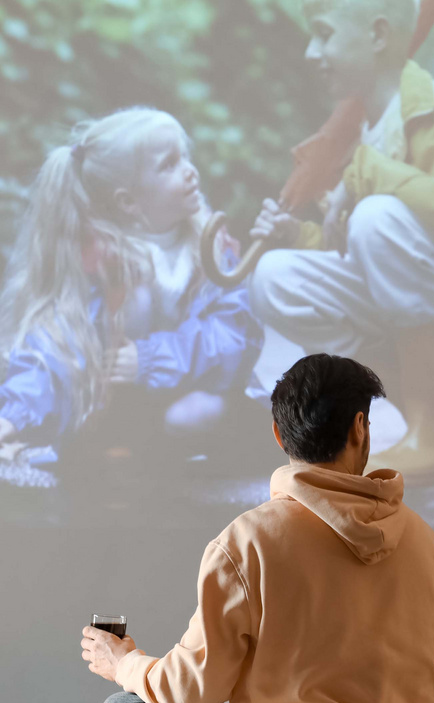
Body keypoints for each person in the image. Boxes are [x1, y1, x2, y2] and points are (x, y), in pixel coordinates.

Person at [83, 353, 434, 703]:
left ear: (278, 435)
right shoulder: (424, 539)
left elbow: (192, 693)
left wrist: (124, 665)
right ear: (360, 428)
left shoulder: (246, 541)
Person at [248, 0, 434, 485]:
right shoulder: (367, 128)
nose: (310, 52)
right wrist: (296, 236)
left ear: (378, 35)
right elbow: (370, 254)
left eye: (324, 34)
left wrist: (368, 172)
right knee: (277, 279)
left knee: (377, 216)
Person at [0, 107, 262, 467]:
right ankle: (118, 451)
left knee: (193, 414)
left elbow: (235, 335)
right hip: (120, 401)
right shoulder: (101, 258)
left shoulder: (211, 249)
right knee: (132, 298)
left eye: (185, 156)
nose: (190, 171)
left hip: (197, 390)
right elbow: (56, 340)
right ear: (127, 201)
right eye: (169, 165)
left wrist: (150, 359)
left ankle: (190, 458)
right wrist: (13, 415)